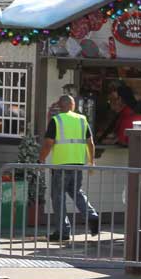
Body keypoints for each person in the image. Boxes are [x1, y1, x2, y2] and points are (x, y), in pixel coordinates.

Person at [39, 95, 99, 241]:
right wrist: (91, 161)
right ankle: (92, 216)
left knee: (58, 197)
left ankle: (63, 231)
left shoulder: (57, 120)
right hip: (78, 163)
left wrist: (41, 159)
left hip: (61, 165)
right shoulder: (82, 120)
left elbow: (48, 143)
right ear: (73, 105)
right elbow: (90, 143)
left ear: (60, 106)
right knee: (76, 192)